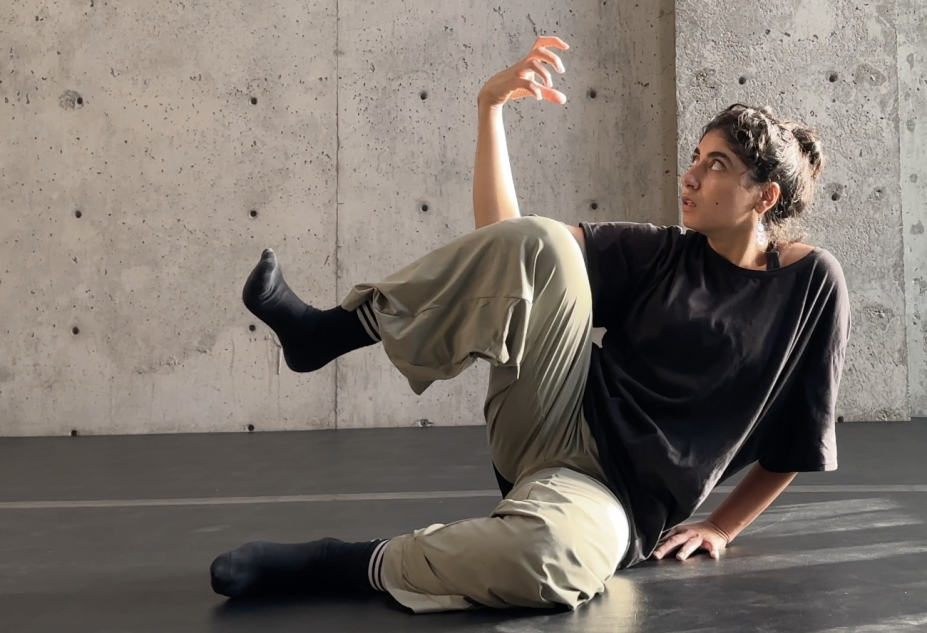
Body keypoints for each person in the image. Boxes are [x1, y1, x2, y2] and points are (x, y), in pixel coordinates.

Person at [209, 37, 851, 613]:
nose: (690, 175)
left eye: (716, 166)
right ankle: (327, 333)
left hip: (615, 500)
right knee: (543, 241)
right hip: (551, 412)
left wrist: (722, 526)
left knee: (549, 558)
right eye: (696, 156)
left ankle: (344, 562)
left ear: (764, 196)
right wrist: (489, 110)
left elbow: (801, 436)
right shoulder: (662, 252)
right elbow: (508, 247)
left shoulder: (812, 284)